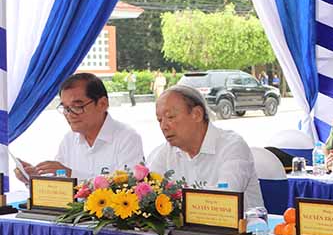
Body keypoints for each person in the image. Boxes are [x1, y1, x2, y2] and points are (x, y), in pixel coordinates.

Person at [147, 85, 264, 209]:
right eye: (159, 120)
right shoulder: (164, 152)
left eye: (170, 117)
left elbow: (224, 201)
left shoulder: (232, 146)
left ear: (197, 114)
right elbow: (148, 196)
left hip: (243, 227)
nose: (164, 126)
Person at [16, 73, 144, 183]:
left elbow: (128, 187)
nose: (69, 114)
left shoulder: (127, 138)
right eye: (66, 108)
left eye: (77, 107)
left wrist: (71, 175)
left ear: (102, 104)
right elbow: (59, 186)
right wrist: (34, 178)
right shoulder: (69, 140)